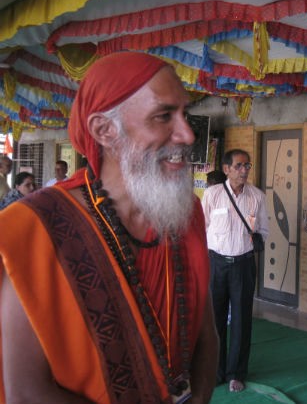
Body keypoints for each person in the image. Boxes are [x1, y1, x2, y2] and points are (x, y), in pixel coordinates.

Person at [0, 51, 218, 404]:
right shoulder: (32, 229)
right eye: (164, 116)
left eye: (185, 114)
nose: (188, 134)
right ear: (104, 130)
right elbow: (26, 394)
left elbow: (206, 336)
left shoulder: (186, 213)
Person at [201, 149, 269, 393]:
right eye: (239, 166)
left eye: (247, 166)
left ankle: (236, 374)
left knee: (241, 321)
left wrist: (249, 243)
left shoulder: (257, 197)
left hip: (243, 264)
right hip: (216, 263)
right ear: (227, 169)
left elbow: (263, 229)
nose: (244, 171)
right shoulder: (212, 195)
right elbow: (202, 227)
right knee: (214, 319)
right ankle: (215, 372)